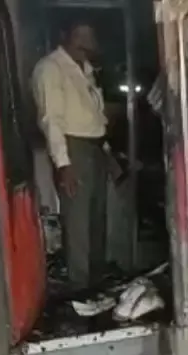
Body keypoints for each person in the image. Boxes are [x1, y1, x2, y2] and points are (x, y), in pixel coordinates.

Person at [32, 20, 109, 291]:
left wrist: (107, 153)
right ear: (65, 36)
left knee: (97, 221)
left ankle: (97, 284)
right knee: (78, 224)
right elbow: (51, 120)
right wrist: (64, 165)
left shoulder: (86, 70)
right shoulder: (51, 68)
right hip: (72, 149)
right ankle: (80, 287)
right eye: (80, 36)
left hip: (94, 148)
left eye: (90, 38)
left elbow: (96, 117)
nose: (86, 44)